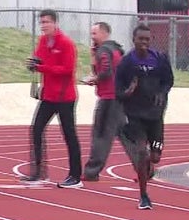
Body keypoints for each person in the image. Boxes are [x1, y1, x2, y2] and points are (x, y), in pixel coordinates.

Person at [114, 25, 173, 210]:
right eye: (141, 39)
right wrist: (127, 92)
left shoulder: (159, 59)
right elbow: (117, 91)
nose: (144, 43)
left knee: (154, 157)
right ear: (134, 39)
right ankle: (143, 195)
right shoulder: (127, 62)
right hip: (135, 115)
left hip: (155, 115)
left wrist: (162, 93)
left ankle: (149, 163)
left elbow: (168, 80)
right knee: (140, 152)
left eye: (147, 40)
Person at [24, 10, 82, 188]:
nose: (43, 25)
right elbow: (40, 59)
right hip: (48, 95)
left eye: (46, 22)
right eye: (41, 22)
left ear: (55, 23)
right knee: (36, 129)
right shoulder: (43, 41)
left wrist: (42, 68)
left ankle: (75, 175)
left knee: (69, 134)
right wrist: (33, 64)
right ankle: (38, 171)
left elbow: (66, 69)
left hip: (65, 96)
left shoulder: (65, 43)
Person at [82, 21, 125, 182]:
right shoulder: (117, 49)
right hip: (119, 97)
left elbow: (105, 71)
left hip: (108, 98)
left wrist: (94, 79)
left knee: (100, 135)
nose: (92, 37)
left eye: (94, 33)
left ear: (104, 33)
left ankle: (92, 171)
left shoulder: (104, 50)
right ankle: (144, 165)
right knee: (126, 135)